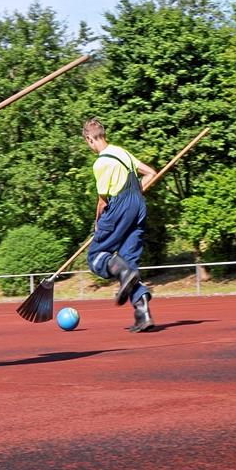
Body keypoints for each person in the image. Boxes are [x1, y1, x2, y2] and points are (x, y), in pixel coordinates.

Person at [82, 119, 159, 332]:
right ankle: (142, 313)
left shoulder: (101, 163)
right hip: (139, 206)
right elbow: (151, 173)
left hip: (119, 206)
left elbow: (103, 201)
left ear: (89, 139)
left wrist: (98, 224)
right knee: (128, 261)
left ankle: (123, 272)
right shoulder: (122, 152)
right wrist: (135, 195)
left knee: (96, 256)